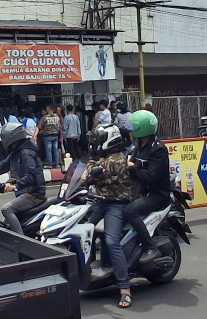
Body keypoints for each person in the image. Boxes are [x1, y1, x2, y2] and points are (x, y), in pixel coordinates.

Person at [83, 125, 135, 309]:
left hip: (116, 205)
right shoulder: (105, 158)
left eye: (96, 140)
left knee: (112, 241)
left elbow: (88, 177)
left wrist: (91, 159)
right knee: (84, 230)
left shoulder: (116, 160)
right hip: (101, 202)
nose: (93, 144)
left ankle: (125, 288)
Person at [0, 124, 46, 234]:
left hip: (33, 194)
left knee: (6, 209)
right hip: (24, 192)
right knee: (6, 225)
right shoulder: (17, 151)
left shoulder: (26, 152)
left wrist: (16, 185)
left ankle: (20, 239)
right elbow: (3, 165)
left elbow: (32, 176)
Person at [124, 109, 171, 264]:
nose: (130, 132)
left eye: (133, 129)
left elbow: (152, 177)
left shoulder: (158, 149)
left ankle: (150, 247)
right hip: (140, 191)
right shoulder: (137, 145)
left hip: (157, 195)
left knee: (129, 211)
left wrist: (133, 168)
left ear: (142, 129)